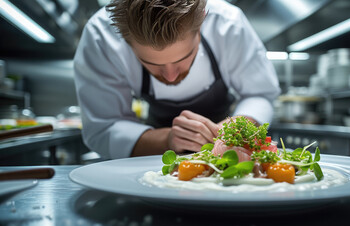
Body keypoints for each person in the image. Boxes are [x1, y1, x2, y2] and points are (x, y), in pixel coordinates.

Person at [73, 0, 281, 160]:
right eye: (152, 63)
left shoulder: (229, 24)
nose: (171, 76)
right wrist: (167, 139)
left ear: (201, 26)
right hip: (155, 157)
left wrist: (234, 130)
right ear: (126, 41)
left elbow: (260, 94)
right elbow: (103, 127)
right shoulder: (101, 37)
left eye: (183, 59)